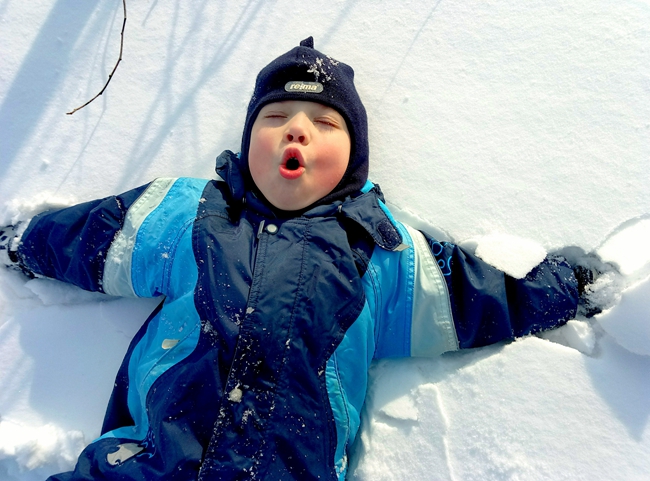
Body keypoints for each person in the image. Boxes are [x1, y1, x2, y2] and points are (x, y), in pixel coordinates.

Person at [0, 37, 599, 480]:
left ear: (354, 156)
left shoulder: (383, 251)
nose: (297, 132)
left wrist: (572, 288)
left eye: (325, 123)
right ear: (248, 139)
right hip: (148, 465)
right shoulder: (193, 213)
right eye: (277, 118)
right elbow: (99, 236)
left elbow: (476, 296)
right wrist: (23, 243)